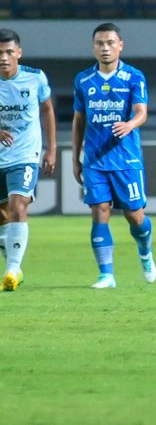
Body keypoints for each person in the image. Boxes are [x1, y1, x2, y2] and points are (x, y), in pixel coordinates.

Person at [72, 22, 156, 289]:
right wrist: (76, 157)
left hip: (126, 159)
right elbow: (78, 120)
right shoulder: (83, 80)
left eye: (110, 43)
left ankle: (145, 251)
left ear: (121, 46)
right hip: (95, 160)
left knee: (135, 216)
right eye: (100, 43)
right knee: (100, 210)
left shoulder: (134, 77)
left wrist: (130, 124)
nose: (105, 48)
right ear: (93, 47)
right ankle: (106, 274)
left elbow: (142, 112)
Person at [0, 28, 57, 291]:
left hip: (25, 154)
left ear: (19, 54)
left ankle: (12, 270)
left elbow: (47, 109)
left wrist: (51, 148)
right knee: (3, 216)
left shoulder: (35, 79)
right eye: (0, 52)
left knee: (18, 206)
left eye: (9, 52)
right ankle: (13, 260)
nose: (4, 57)